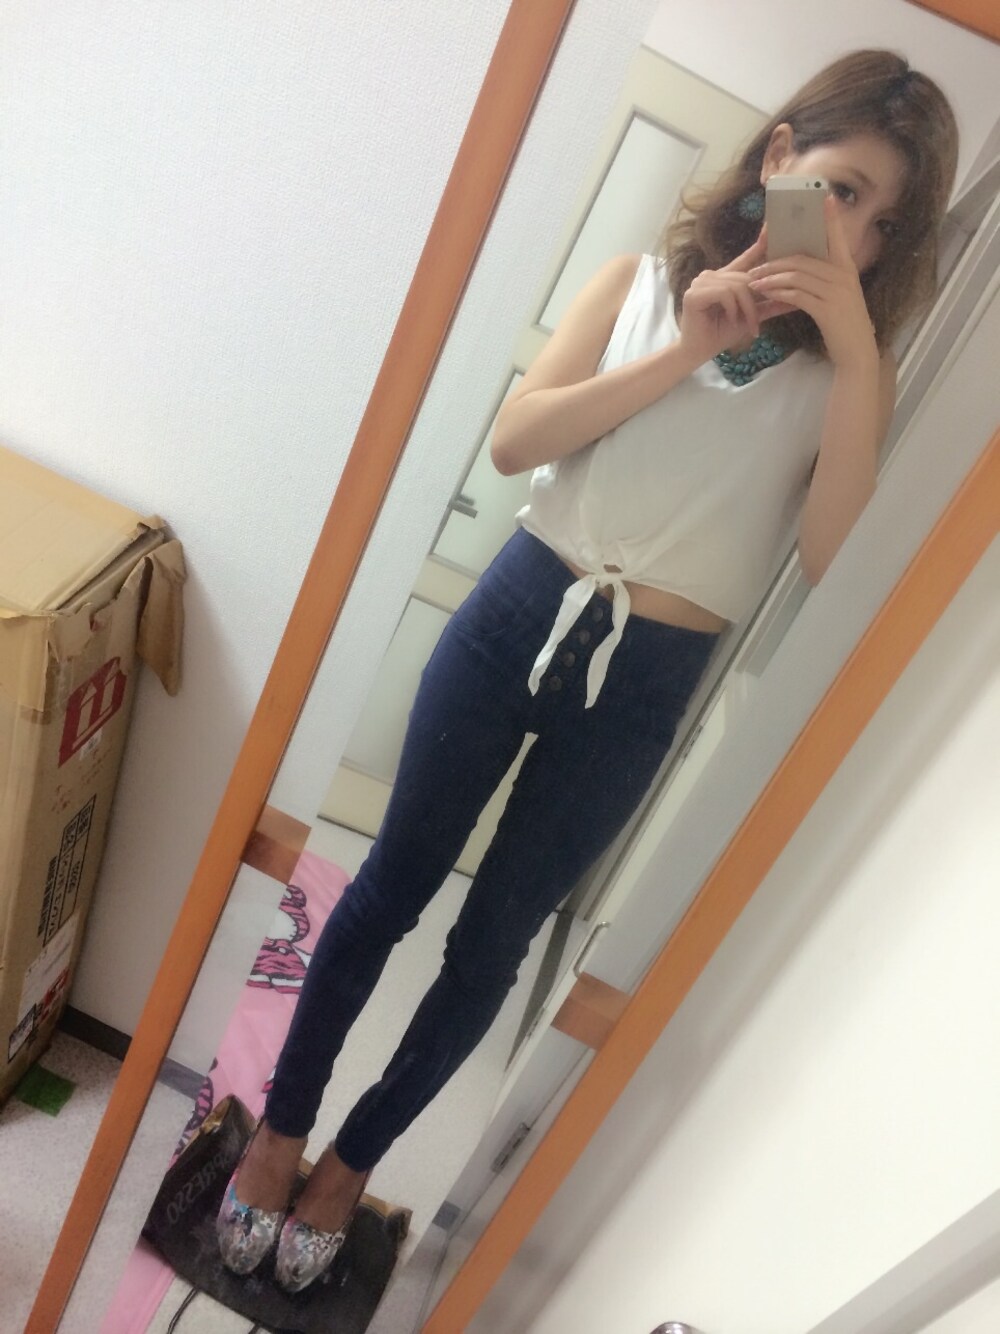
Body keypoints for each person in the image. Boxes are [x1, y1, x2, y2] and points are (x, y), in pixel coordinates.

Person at [217, 48, 958, 1292]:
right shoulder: (636, 288)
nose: (852, 234)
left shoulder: (846, 384)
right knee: (389, 886)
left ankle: (348, 1165)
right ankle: (279, 1133)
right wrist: (681, 347)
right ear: (779, 156)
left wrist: (856, 355)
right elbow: (517, 443)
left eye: (884, 223)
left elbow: (831, 561)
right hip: (521, 605)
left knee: (491, 945)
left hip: (649, 673)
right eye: (839, 189)